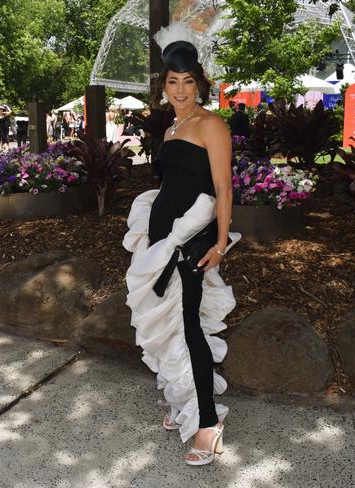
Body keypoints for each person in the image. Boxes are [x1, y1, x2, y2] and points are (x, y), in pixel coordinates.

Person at [122, 27, 238, 466]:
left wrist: (222, 243)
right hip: (162, 240)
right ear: (164, 85)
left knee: (190, 329)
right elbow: (171, 184)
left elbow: (223, 189)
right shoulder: (173, 128)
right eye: (173, 81)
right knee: (174, 325)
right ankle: (184, 402)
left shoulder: (212, 124)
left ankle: (207, 423)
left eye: (188, 81)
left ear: (200, 83)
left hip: (192, 240)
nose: (180, 90)